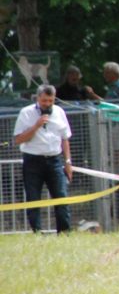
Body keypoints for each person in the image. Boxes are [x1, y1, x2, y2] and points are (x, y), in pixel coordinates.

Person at [14, 85, 74, 233]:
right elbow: (19, 139)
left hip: (55, 160)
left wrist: (68, 162)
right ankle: (37, 231)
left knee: (61, 196)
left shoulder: (59, 112)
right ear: (37, 98)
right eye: (44, 101)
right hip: (32, 161)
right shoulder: (26, 113)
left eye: (50, 101)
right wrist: (36, 126)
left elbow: (65, 139)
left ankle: (64, 232)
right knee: (33, 198)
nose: (47, 104)